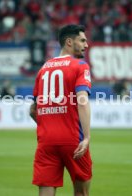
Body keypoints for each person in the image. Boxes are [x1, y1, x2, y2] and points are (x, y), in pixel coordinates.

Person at [29, 24, 92, 196]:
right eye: (82, 40)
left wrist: (50, 122)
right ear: (69, 42)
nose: (86, 45)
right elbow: (82, 100)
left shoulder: (43, 68)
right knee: (81, 192)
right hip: (73, 140)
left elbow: (33, 110)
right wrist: (86, 137)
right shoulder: (80, 65)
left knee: (46, 191)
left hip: (46, 141)